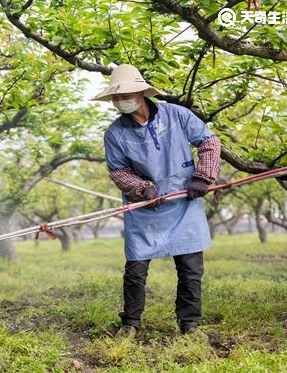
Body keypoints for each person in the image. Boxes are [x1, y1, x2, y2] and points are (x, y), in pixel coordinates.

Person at [91, 64, 221, 339]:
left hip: (184, 202)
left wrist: (203, 177)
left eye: (124, 93)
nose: (120, 100)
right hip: (145, 208)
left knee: (190, 269)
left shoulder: (176, 115)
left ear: (141, 92)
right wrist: (141, 188)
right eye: (115, 96)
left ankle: (190, 324)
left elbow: (209, 142)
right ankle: (130, 323)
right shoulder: (114, 133)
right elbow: (118, 171)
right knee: (135, 270)